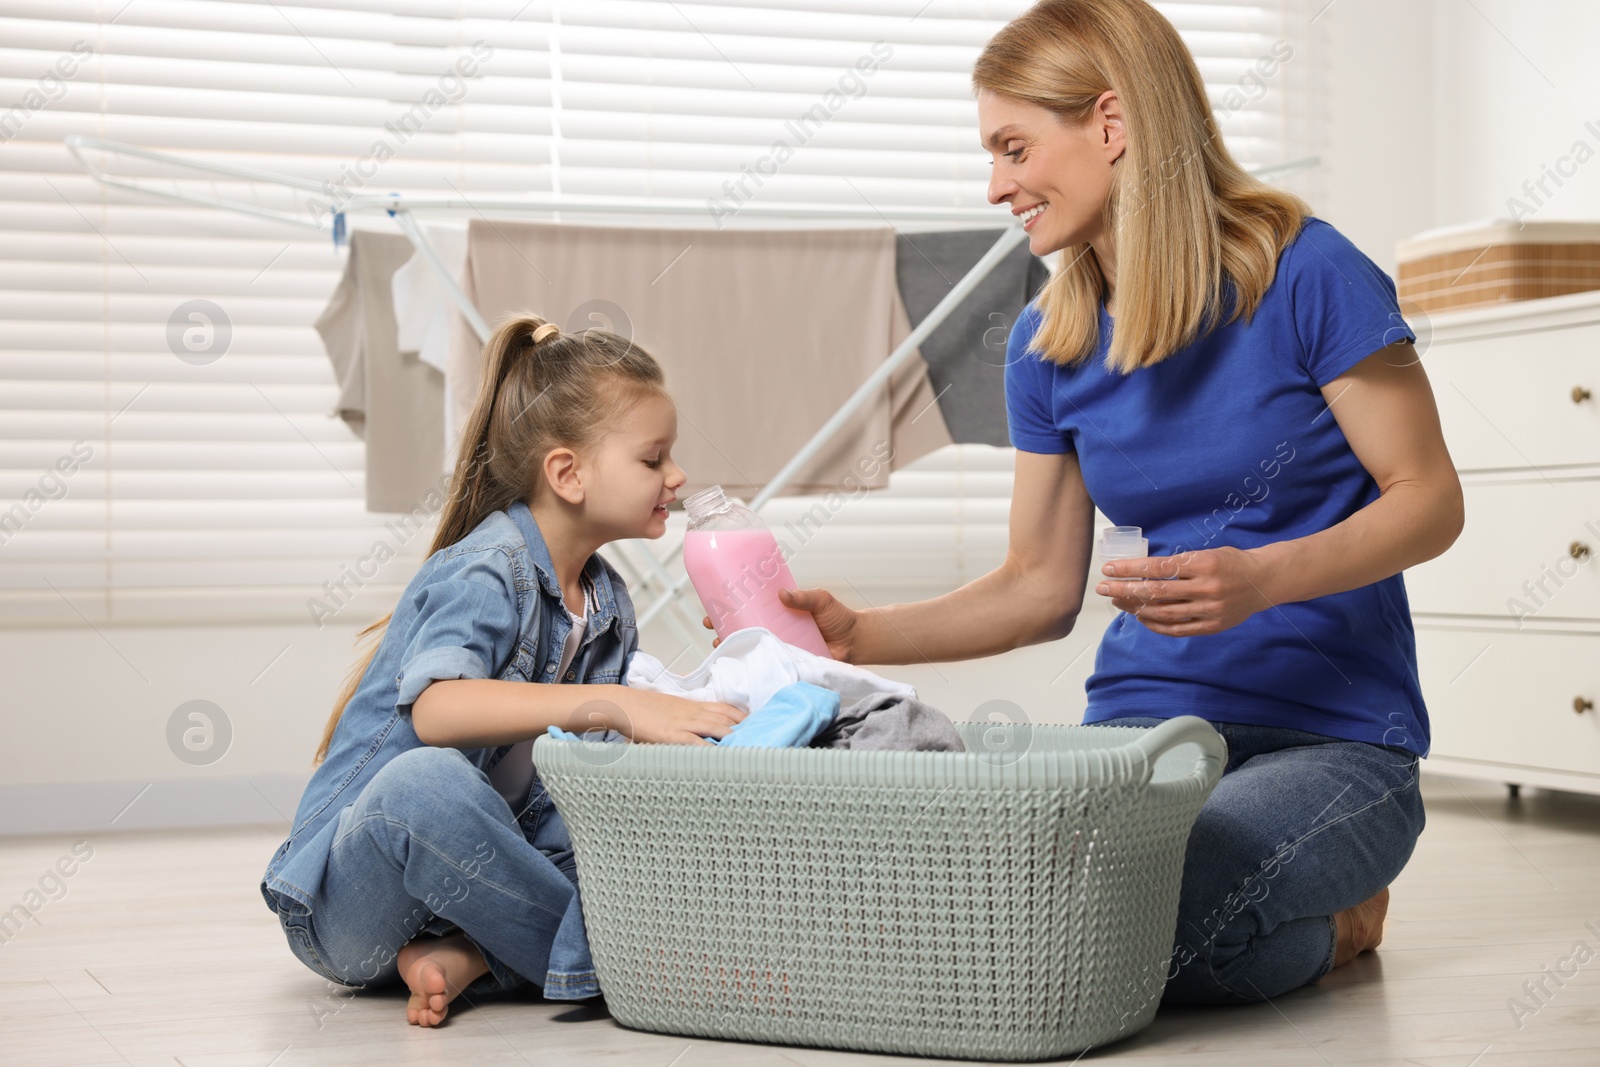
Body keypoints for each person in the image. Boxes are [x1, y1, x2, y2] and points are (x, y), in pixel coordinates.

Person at [754, 0, 1463, 1004]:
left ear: (1112, 124)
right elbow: (1039, 586)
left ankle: (1342, 917)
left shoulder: (1308, 272)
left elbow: (1428, 499)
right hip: (1137, 735)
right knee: (1007, 903)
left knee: (1149, 902)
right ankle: (1294, 919)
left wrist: (1262, 577)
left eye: (1012, 147)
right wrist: (858, 634)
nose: (995, 185)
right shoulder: (1050, 341)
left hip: (1333, 743)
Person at [261, 315, 745, 1027]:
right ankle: (631, 963)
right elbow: (437, 711)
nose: (676, 477)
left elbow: (584, 786)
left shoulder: (608, 602)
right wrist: (619, 706)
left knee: (638, 822)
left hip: (481, 882)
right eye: (653, 459)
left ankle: (477, 957)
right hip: (353, 909)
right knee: (423, 782)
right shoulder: (487, 569)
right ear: (567, 473)